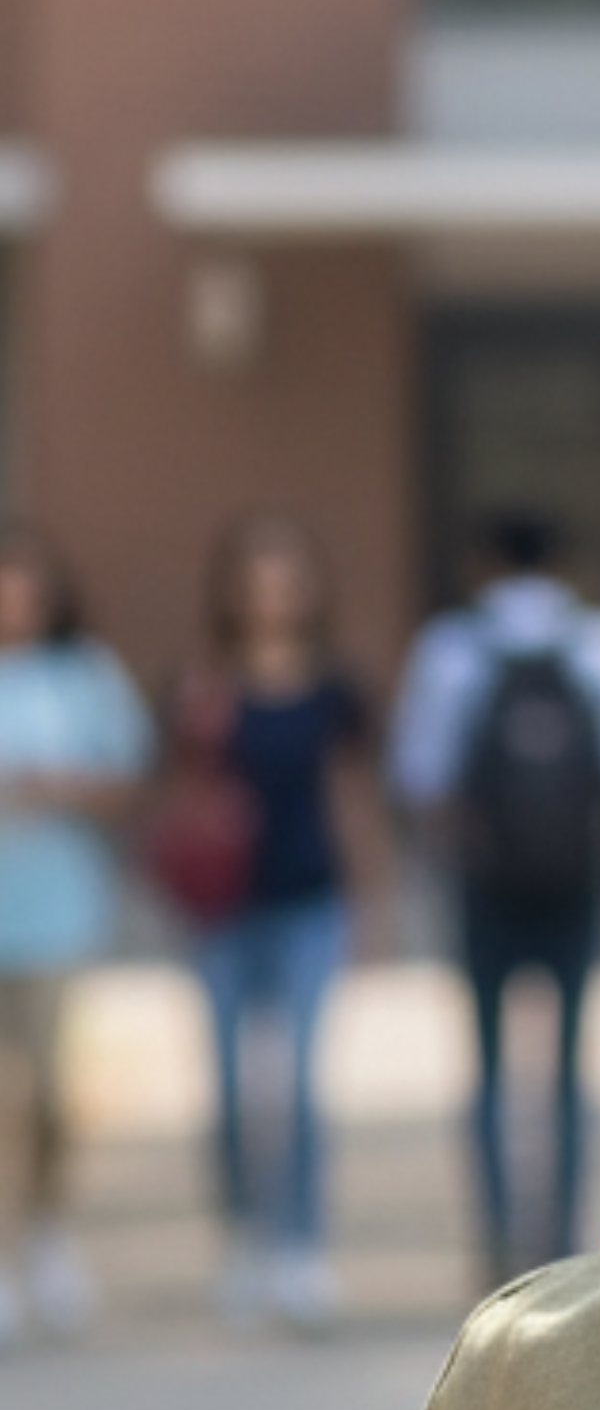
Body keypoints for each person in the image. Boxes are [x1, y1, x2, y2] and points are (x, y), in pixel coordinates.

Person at [387, 514, 600, 1278]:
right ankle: (562, 1237)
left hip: (486, 886)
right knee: (568, 1064)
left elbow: (421, 780)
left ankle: (496, 1240)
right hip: (578, 882)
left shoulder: (451, 649)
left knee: (491, 1065)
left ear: (483, 564)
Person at [160, 512, 370, 1330]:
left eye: (286, 578)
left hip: (310, 899)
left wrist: (372, 899)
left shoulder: (335, 685)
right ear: (232, 590)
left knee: (304, 1084)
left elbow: (353, 795)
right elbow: (174, 791)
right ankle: (243, 1241)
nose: (272, 594)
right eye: (257, 579)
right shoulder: (201, 682)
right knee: (227, 1083)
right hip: (222, 909)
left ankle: (302, 1248)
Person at [0, 521, 151, 1344]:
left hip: (57, 915)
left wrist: (63, 785)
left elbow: (130, 781)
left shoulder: (84, 675)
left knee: (49, 1089)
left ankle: (49, 1231)